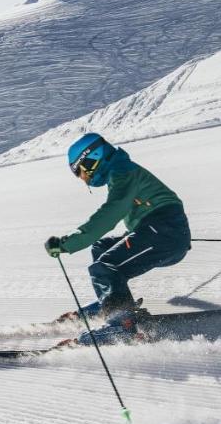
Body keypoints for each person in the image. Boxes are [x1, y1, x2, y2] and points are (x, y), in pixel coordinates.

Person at [45, 133, 191, 344]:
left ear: (92, 158)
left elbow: (112, 212)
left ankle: (123, 325)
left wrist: (68, 243)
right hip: (161, 230)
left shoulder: (122, 172)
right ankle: (111, 304)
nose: (85, 179)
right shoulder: (119, 171)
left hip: (165, 232)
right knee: (102, 248)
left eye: (82, 173)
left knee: (105, 266)